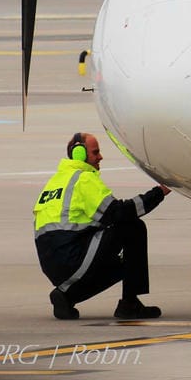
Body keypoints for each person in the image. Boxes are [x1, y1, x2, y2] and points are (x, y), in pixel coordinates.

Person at [33, 132, 170, 320]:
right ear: (80, 154)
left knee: (126, 264)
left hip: (55, 263)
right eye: (95, 152)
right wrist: (159, 192)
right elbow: (118, 213)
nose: (100, 157)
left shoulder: (56, 181)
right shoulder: (83, 179)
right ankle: (129, 304)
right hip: (71, 256)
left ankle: (66, 295)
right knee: (133, 227)